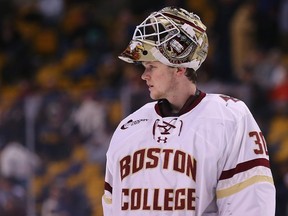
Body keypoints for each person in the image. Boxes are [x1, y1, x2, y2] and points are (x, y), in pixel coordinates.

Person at [102, 6, 276, 215]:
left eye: (152, 67)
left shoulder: (229, 118)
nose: (144, 76)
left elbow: (250, 203)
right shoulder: (128, 128)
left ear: (179, 67)